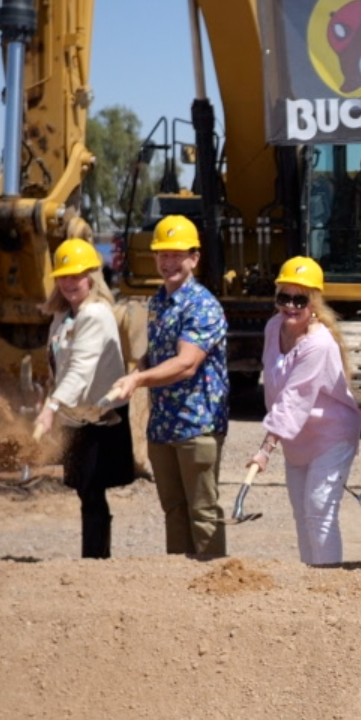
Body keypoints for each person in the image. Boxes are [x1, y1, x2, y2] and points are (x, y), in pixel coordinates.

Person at [108, 215, 230, 559]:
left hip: (197, 425)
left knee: (203, 513)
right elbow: (156, 355)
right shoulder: (158, 301)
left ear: (194, 258)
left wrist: (138, 380)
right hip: (163, 426)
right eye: (163, 255)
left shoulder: (203, 305)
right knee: (174, 512)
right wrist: (131, 370)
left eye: (177, 255)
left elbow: (186, 363)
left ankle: (213, 587)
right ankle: (178, 591)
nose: (168, 262)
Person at [245, 256, 361, 566]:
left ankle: (326, 584)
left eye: (300, 299)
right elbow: (274, 385)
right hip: (297, 438)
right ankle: (310, 580)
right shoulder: (274, 327)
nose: (291, 306)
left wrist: (265, 449)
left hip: (330, 435)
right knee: (301, 512)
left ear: (314, 302)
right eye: (284, 297)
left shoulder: (318, 344)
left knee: (319, 510)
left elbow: (293, 400)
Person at [33, 238, 135, 559]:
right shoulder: (63, 316)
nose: (69, 283)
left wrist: (52, 407)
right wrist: (49, 400)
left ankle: (95, 560)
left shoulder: (95, 315)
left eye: (76, 276)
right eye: (63, 276)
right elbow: (60, 368)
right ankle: (93, 557)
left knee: (92, 489)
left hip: (100, 418)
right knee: (84, 489)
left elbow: (80, 370)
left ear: (92, 277)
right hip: (75, 415)